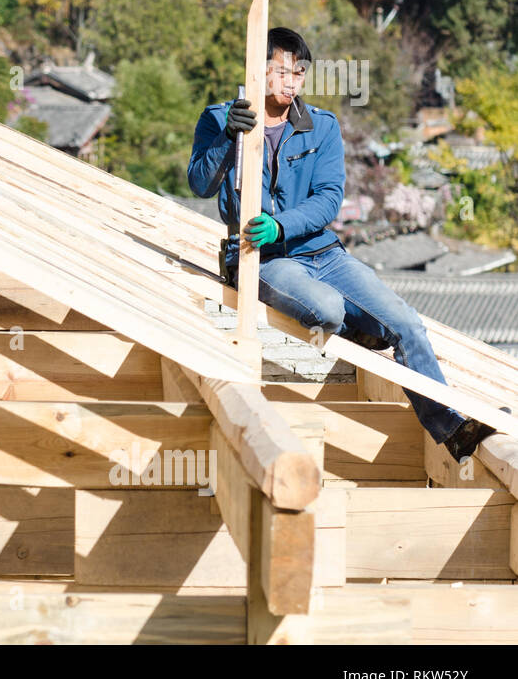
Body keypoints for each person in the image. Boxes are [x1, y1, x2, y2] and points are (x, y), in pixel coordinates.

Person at [188, 27, 498, 463]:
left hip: (321, 252)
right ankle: (359, 328)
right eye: (281, 71)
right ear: (258, 70)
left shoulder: (321, 127)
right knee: (328, 311)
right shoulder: (221, 118)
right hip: (261, 259)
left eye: (299, 72)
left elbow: (329, 199)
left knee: (406, 324)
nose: (291, 81)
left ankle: (450, 427)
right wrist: (227, 140)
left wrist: (281, 225)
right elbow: (200, 184)